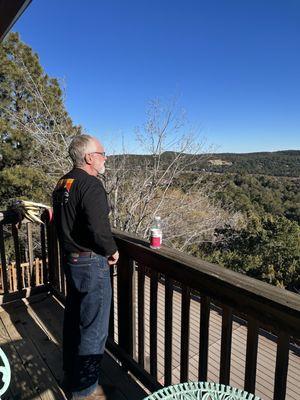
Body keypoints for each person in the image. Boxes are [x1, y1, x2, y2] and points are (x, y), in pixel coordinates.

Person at [52, 134, 119, 399]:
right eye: (102, 154)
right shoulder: (91, 185)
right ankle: (85, 390)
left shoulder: (63, 183)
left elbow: (63, 218)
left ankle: (72, 375)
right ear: (90, 157)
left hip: (72, 260)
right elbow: (98, 226)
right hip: (91, 263)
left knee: (73, 320)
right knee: (94, 328)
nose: (105, 159)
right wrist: (112, 250)